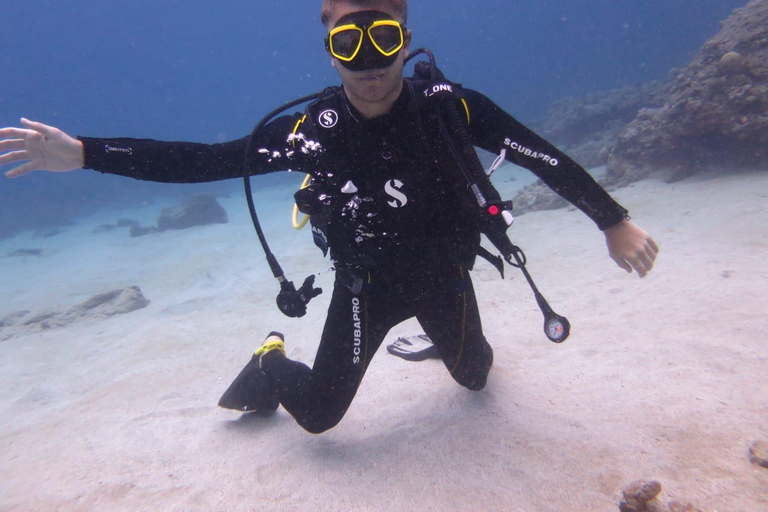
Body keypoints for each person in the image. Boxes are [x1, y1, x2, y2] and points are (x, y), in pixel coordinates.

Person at [0, 0, 658, 434]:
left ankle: (442, 336)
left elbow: (540, 155)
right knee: (316, 416)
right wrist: (87, 153)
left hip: (444, 277)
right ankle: (269, 357)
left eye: (384, 39)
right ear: (330, 48)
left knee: (478, 376)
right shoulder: (308, 134)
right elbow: (202, 162)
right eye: (350, 41)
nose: (370, 61)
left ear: (405, 41)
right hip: (364, 287)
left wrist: (612, 220)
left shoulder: (451, 108)